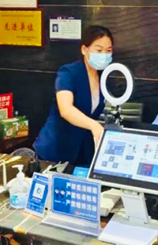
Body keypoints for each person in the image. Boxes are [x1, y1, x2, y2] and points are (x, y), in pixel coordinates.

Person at [34, 26, 113, 167]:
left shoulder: (103, 76)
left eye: (108, 51)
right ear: (84, 50)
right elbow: (66, 110)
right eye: (99, 50)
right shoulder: (68, 72)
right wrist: (94, 125)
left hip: (81, 150)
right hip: (56, 148)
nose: (104, 55)